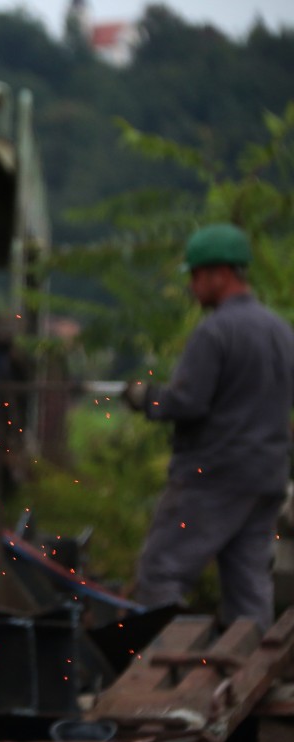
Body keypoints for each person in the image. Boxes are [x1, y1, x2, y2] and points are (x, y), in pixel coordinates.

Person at [123, 223, 294, 630]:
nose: (193, 286)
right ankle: (249, 676)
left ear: (221, 274)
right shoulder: (281, 332)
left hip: (213, 479)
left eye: (196, 276)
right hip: (266, 478)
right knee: (248, 587)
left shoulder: (215, 332)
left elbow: (187, 401)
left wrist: (144, 397)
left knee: (160, 573)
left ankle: (155, 680)